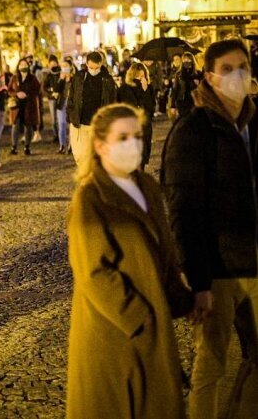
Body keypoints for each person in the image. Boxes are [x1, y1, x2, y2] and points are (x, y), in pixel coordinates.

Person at [67, 103, 193, 419]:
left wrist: (182, 300)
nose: (133, 144)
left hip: (150, 328)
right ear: (100, 145)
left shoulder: (148, 186)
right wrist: (139, 316)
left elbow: (163, 252)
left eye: (137, 136)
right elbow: (94, 273)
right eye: (122, 137)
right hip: (114, 336)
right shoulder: (91, 198)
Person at [162, 39, 258, 419]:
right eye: (228, 69)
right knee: (210, 365)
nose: (238, 76)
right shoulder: (194, 129)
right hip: (218, 271)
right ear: (209, 77)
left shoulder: (254, 122)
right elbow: (183, 209)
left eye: (244, 67)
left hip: (255, 262)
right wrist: (198, 281)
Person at [66, 51, 117, 166]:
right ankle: (86, 175)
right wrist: (70, 115)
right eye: (91, 67)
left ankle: (94, 178)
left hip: (98, 124)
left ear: (101, 64)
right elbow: (71, 97)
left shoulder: (107, 80)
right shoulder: (79, 77)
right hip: (80, 122)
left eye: (96, 67)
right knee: (79, 155)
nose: (94, 70)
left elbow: (113, 101)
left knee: (98, 157)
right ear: (87, 64)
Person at [118, 63, 156, 170]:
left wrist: (145, 90)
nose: (139, 79)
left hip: (144, 125)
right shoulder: (125, 89)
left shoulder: (148, 88)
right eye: (137, 76)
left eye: (142, 76)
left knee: (142, 157)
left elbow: (151, 107)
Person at [8, 59, 41, 156]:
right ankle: (13, 147)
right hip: (17, 106)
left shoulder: (32, 78)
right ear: (18, 66)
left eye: (25, 64)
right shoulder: (14, 78)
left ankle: (27, 147)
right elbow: (9, 89)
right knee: (15, 126)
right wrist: (16, 94)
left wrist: (27, 94)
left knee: (28, 126)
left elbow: (37, 90)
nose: (23, 66)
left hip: (29, 105)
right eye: (21, 64)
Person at [169, 52, 202, 120]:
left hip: (194, 101)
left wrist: (198, 84)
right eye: (185, 59)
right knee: (184, 120)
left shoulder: (198, 73)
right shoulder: (179, 74)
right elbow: (175, 89)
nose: (186, 61)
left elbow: (203, 89)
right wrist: (173, 105)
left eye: (188, 59)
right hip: (182, 101)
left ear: (192, 60)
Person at [53, 58, 73, 154]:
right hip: (61, 103)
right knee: (61, 124)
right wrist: (61, 79)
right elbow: (56, 89)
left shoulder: (75, 78)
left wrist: (70, 79)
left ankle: (71, 146)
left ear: (70, 67)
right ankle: (62, 145)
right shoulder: (60, 78)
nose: (64, 68)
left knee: (71, 126)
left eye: (66, 66)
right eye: (63, 66)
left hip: (71, 104)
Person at [43, 55, 61, 144]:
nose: (53, 65)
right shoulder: (48, 75)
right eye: (51, 64)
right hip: (51, 99)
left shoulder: (61, 73)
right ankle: (55, 135)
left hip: (61, 98)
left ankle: (61, 134)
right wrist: (50, 91)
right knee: (54, 118)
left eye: (54, 64)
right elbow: (44, 87)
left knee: (61, 117)